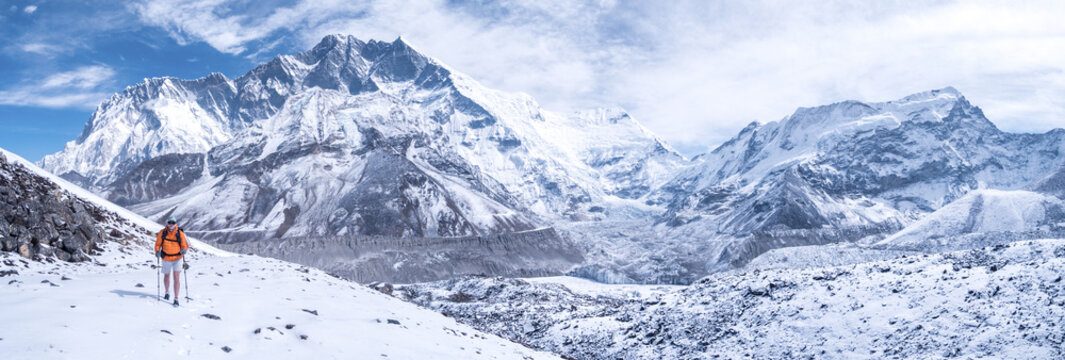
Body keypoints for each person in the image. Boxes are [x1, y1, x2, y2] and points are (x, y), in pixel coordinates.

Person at [155, 216, 189, 306]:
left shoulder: (179, 233)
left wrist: (184, 250)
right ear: (167, 223)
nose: (171, 224)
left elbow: (184, 245)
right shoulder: (162, 232)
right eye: (169, 222)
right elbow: (158, 244)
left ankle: (176, 298)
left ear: (176, 224)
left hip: (177, 258)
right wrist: (157, 251)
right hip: (166, 258)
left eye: (173, 223)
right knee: (166, 276)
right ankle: (167, 292)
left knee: (176, 277)